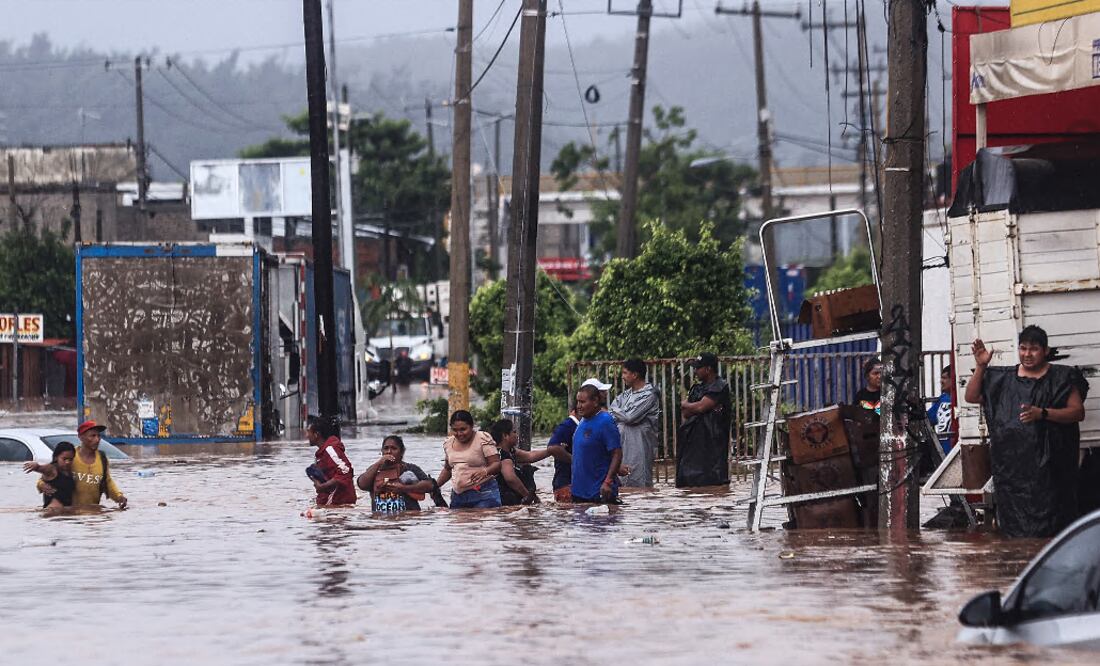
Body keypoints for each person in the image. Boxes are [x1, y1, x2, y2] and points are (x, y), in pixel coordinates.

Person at [964, 326, 1089, 538]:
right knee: (1015, 536)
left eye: (1034, 349)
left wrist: (1043, 413)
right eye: (1023, 348)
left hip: (1052, 472)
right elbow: (972, 396)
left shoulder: (1062, 377)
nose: (1027, 354)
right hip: (1013, 475)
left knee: (1054, 530)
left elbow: (1077, 412)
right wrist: (981, 366)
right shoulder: (1002, 379)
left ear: (1045, 351)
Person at [30, 421, 127, 509]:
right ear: (81, 437)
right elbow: (49, 474)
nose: (97, 439)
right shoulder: (69, 456)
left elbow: (108, 482)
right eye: (92, 436)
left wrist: (119, 497)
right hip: (70, 514)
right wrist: (41, 485)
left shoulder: (102, 458)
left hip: (92, 513)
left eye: (98, 436)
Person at [677, 353, 731, 488]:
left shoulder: (720, 386)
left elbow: (701, 407)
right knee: (689, 485)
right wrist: (692, 407)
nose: (695, 371)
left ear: (708, 369)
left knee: (712, 484)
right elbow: (686, 413)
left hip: (712, 446)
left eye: (698, 368)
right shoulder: (697, 388)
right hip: (693, 445)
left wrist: (687, 405)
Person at [610, 358, 661, 488]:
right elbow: (612, 412)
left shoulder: (650, 395)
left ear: (635, 375)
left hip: (640, 445)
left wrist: (616, 411)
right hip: (622, 444)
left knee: (640, 484)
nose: (622, 377)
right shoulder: (625, 395)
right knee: (622, 483)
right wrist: (617, 411)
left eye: (625, 373)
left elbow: (630, 417)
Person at [435, 410, 502, 509]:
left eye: (463, 429)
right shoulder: (448, 443)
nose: (459, 433)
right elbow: (448, 469)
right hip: (458, 497)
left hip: (484, 494)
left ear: (471, 426)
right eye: (455, 430)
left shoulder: (482, 438)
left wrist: (485, 471)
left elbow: (497, 464)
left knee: (483, 523)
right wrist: (434, 486)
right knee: (459, 524)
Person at [571, 384, 623, 503]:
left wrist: (608, 481)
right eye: (578, 402)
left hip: (599, 492)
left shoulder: (606, 421)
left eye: (582, 402)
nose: (578, 406)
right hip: (579, 492)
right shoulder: (583, 421)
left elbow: (617, 453)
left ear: (595, 401)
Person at [356, 435, 435, 513]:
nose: (389, 451)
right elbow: (362, 484)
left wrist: (404, 488)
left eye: (394, 448)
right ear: (381, 451)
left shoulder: (409, 468)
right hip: (380, 522)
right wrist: (378, 463)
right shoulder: (374, 470)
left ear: (402, 452)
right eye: (386, 448)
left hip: (407, 521)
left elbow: (430, 485)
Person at [307, 416, 357, 506]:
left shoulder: (330, 450)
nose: (307, 435)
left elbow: (346, 470)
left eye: (308, 432)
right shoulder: (322, 453)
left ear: (316, 434)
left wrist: (323, 487)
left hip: (338, 502)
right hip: (331, 501)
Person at [489, 420, 539, 505]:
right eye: (514, 432)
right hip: (506, 499)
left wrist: (550, 451)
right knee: (527, 470)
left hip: (498, 497)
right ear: (505, 435)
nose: (517, 435)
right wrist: (527, 496)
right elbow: (510, 478)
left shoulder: (506, 452)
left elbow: (530, 456)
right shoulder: (503, 455)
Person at [24, 441, 76, 509]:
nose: (67, 462)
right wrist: (35, 466)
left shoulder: (69, 471)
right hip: (52, 512)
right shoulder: (52, 469)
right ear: (56, 457)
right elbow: (41, 468)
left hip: (64, 512)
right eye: (64, 459)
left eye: (70, 459)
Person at [547, 408, 579, 502]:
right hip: (566, 485)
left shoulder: (580, 426)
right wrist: (577, 461)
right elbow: (553, 448)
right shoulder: (568, 426)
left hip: (574, 484)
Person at [927, 364, 956, 454]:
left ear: (953, 379)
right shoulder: (942, 399)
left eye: (944, 378)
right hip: (942, 454)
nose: (941, 381)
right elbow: (927, 419)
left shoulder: (962, 400)